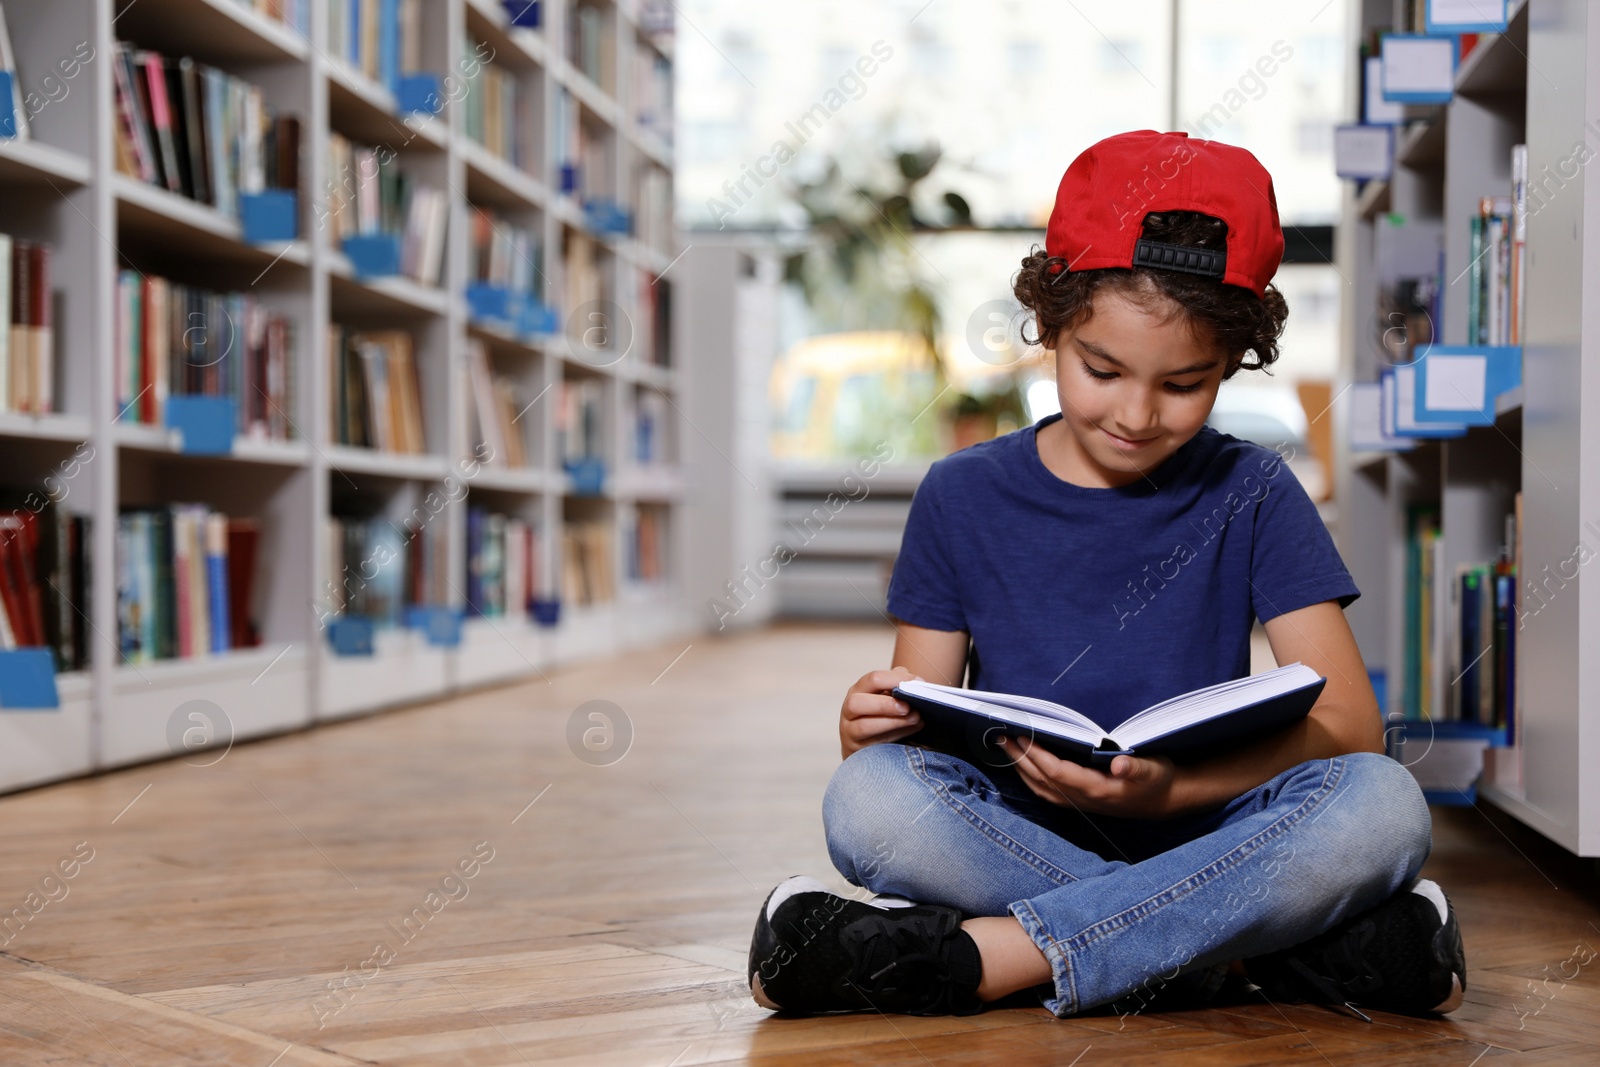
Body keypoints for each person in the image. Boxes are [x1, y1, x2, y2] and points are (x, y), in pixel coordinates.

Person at [745, 130, 1465, 1021]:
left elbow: (1352, 727)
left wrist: (1175, 789)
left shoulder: (1255, 489)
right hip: (1024, 833)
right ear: (1051, 321)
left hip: (1219, 825)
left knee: (1386, 803)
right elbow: (922, 731)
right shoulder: (961, 492)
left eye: (1185, 383)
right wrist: (872, 728)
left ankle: (985, 957)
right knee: (867, 800)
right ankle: (1253, 950)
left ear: (1234, 361)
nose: (1135, 413)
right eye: (1101, 369)